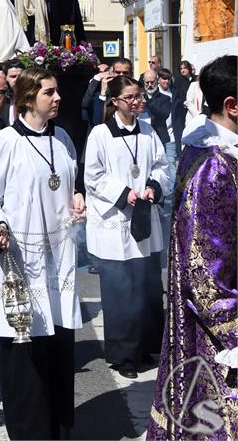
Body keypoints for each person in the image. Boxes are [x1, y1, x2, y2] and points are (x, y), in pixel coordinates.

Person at [0, 67, 85, 440]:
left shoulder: (63, 137)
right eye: (49, 92)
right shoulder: (5, 143)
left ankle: (56, 428)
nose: (57, 98)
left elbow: (68, 183)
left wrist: (77, 199)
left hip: (58, 260)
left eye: (57, 91)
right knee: (24, 362)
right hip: (20, 262)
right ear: (28, 99)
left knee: (56, 352)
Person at [147, 55, 237, 441]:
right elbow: (204, 270)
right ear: (232, 106)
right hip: (218, 333)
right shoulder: (213, 167)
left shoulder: (214, 152)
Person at [84, 75, 170, 379]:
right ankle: (123, 355)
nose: (138, 101)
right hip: (115, 222)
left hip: (144, 219)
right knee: (121, 290)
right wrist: (125, 193)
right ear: (115, 101)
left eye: (139, 95)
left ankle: (145, 346)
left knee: (147, 286)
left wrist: (152, 186)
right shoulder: (100, 134)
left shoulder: (148, 131)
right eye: (131, 97)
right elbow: (93, 176)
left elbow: (162, 166)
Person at [84, 57, 134, 127]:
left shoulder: (137, 93)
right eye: (118, 72)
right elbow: (97, 122)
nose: (121, 75)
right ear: (112, 73)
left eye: (125, 73)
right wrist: (103, 93)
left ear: (131, 74)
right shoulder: (102, 93)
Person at [3, 58, 25, 125]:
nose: (17, 80)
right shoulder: (2, 98)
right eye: (13, 76)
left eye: (20, 76)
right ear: (6, 78)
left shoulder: (32, 97)